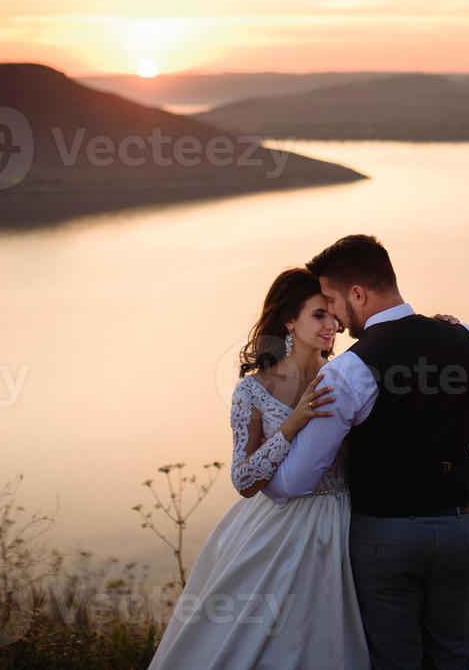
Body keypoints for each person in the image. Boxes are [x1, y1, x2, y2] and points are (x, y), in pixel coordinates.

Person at [263, 235, 469, 670]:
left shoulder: (348, 371)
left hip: (385, 539)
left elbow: (296, 481)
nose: (337, 320)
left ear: (359, 294)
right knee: (457, 661)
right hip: (459, 529)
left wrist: (259, 463)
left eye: (333, 301)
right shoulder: (466, 338)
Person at [148, 267, 371, 669]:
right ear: (290, 319)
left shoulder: (346, 377)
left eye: (333, 315)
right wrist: (292, 422)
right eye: (318, 315)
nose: (332, 325)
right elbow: (244, 479)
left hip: (347, 521)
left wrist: (435, 328)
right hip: (278, 529)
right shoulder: (253, 388)